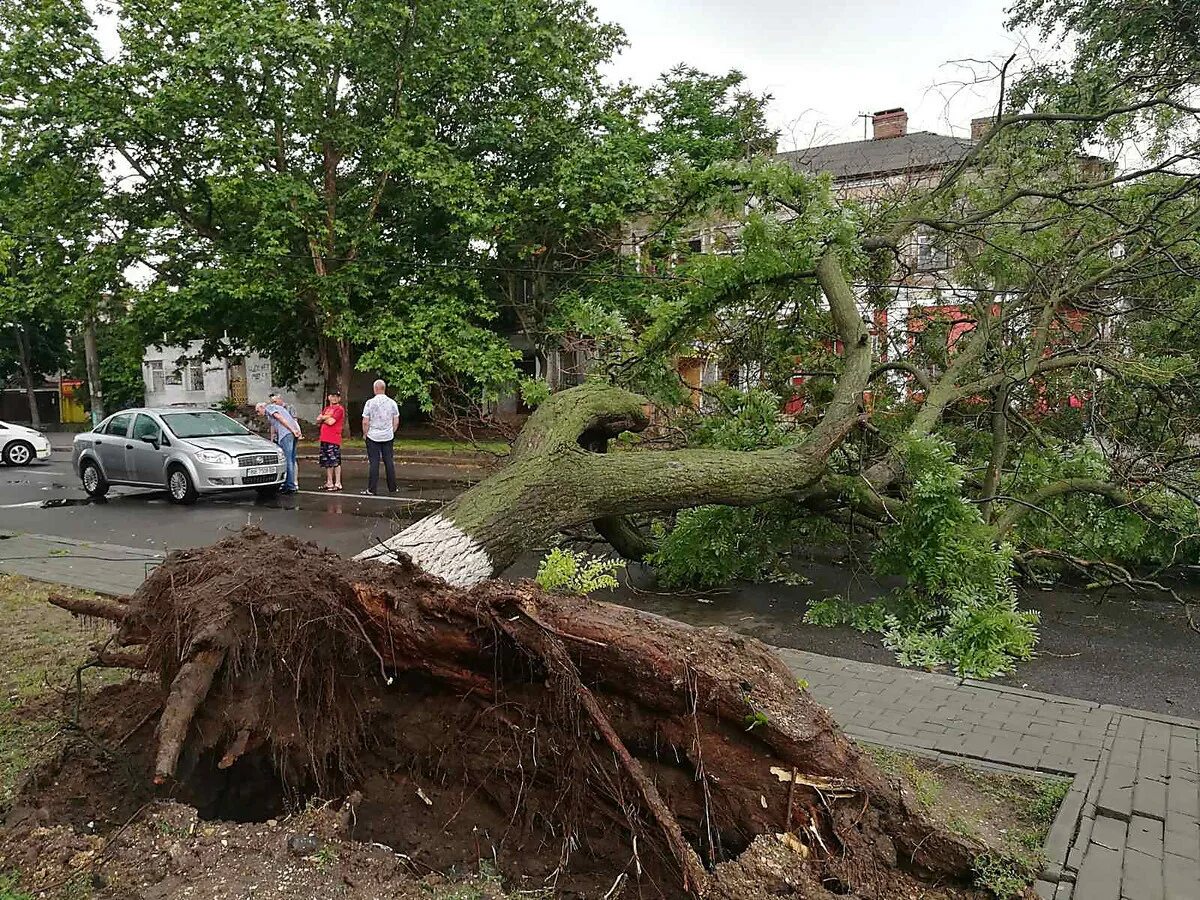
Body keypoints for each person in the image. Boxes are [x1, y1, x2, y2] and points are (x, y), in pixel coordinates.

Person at [361, 379, 399, 495]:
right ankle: (392, 487)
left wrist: (365, 433)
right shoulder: (392, 403)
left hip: (373, 435)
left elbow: (365, 421)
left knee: (374, 462)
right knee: (389, 461)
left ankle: (372, 489)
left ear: (375, 389)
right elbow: (396, 420)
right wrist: (391, 431)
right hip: (387, 435)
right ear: (384, 388)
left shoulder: (370, 403)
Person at [257, 398, 302, 494]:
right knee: (292, 459)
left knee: (287, 460)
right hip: (292, 433)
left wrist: (292, 430)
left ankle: (290, 485)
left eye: (258, 411)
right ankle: (290, 483)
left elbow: (280, 418)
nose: (258, 414)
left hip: (286, 434)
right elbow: (274, 426)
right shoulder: (277, 408)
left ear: (262, 407)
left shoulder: (270, 408)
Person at [317, 390, 345, 491]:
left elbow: (331, 422)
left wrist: (323, 418)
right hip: (324, 438)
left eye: (336, 397)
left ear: (339, 398)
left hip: (333, 438)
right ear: (329, 397)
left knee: (335, 460)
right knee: (326, 461)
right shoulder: (327, 409)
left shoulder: (339, 409)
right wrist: (325, 417)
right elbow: (318, 419)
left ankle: (338, 483)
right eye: (332, 396)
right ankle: (329, 482)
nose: (334, 398)